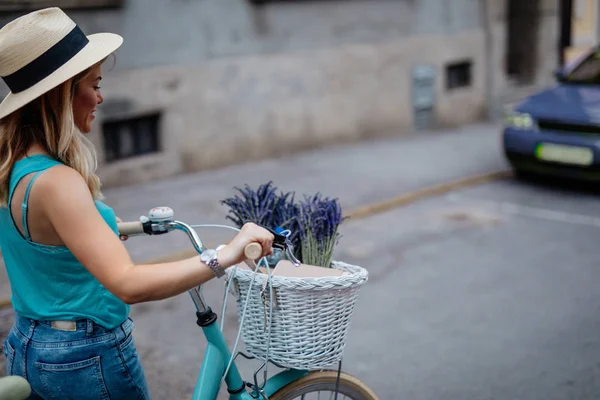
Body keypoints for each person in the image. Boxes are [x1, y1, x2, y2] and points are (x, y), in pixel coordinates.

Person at [0, 7, 274, 400]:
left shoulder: (16, 169)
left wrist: (105, 227)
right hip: (83, 356)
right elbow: (128, 285)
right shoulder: (59, 182)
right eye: (93, 84)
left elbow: (44, 244)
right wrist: (225, 255)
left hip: (31, 344)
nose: (100, 95)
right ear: (62, 94)